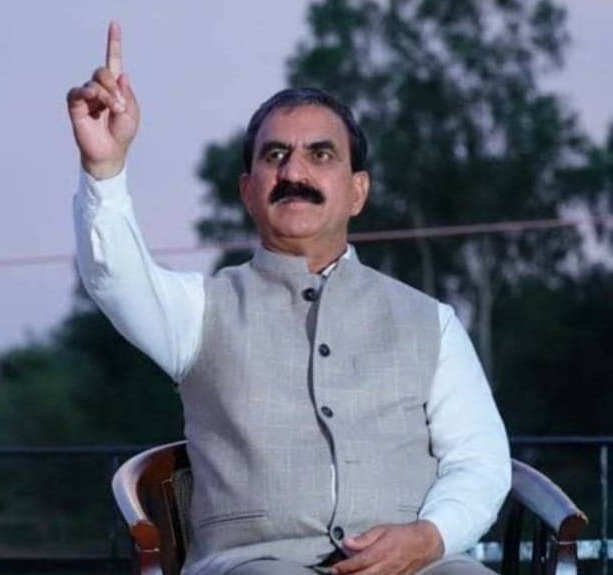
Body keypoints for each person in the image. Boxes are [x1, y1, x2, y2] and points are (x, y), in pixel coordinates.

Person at [67, 22, 511, 575]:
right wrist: (104, 169)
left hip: (414, 565)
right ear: (247, 190)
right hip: (253, 565)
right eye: (275, 155)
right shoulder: (200, 309)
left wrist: (428, 537)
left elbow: (479, 462)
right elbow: (114, 278)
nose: (294, 172)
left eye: (321, 155)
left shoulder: (430, 322)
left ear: (358, 191)